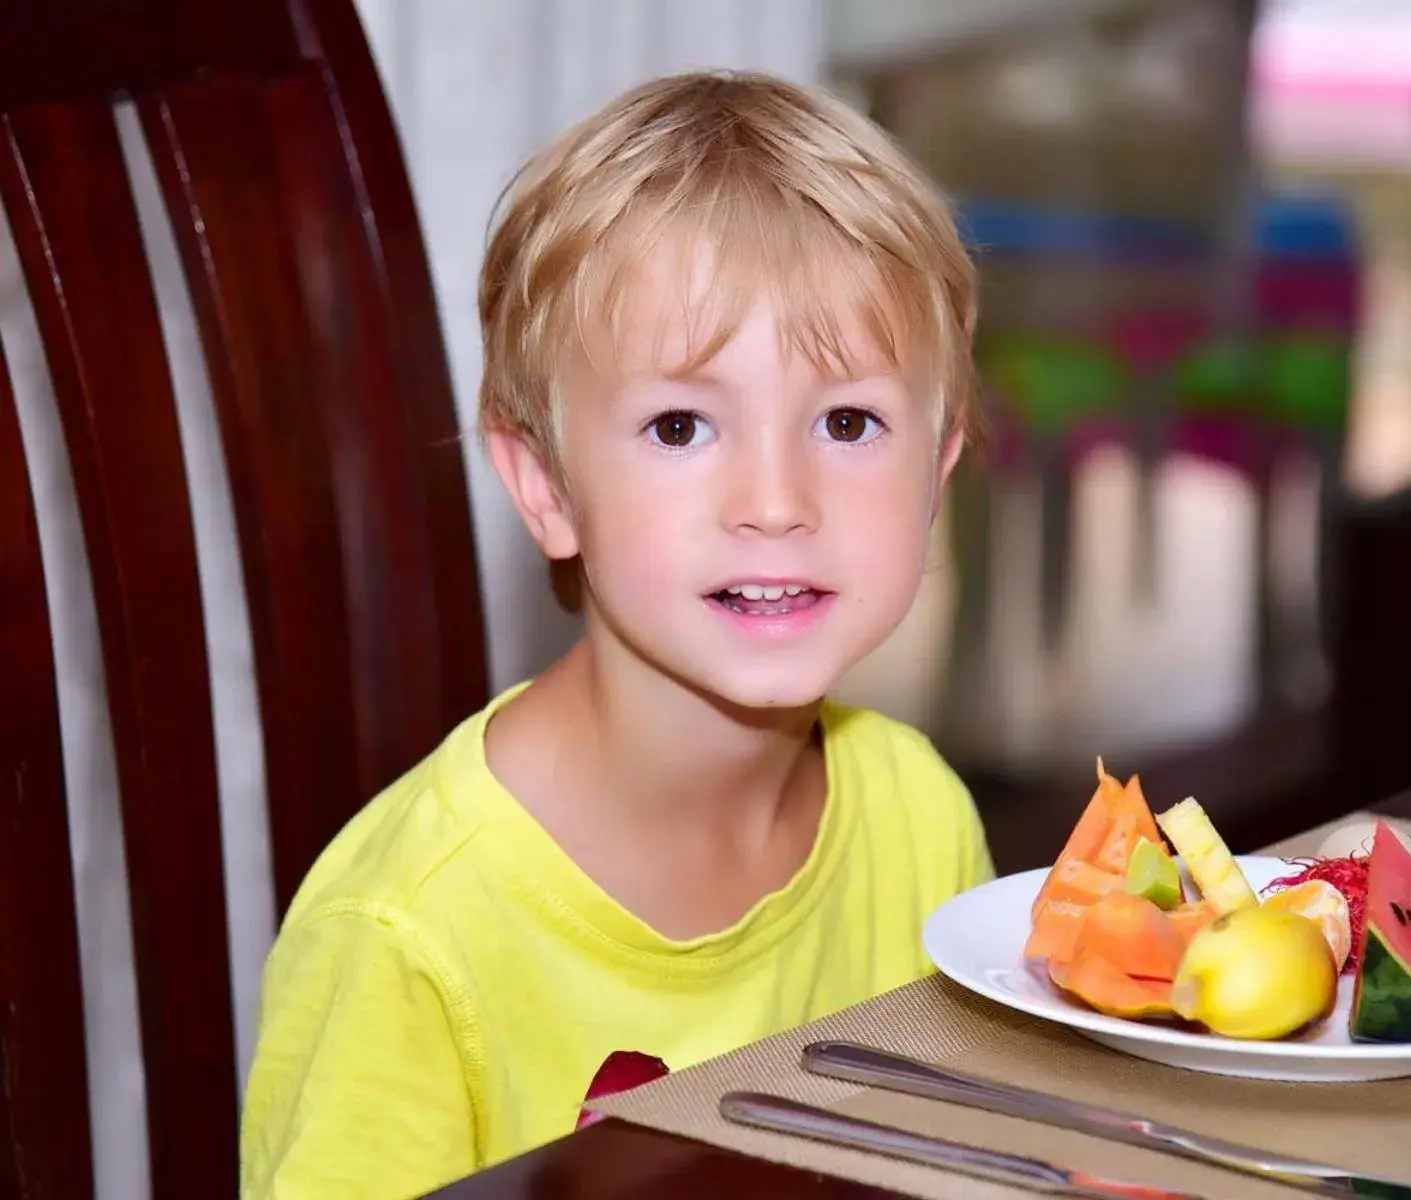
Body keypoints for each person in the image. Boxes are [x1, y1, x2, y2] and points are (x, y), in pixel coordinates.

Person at [238, 69, 994, 1199]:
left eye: (848, 421)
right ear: (544, 483)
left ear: (936, 470)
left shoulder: (921, 824)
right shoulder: (408, 936)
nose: (776, 499)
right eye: (681, 424)